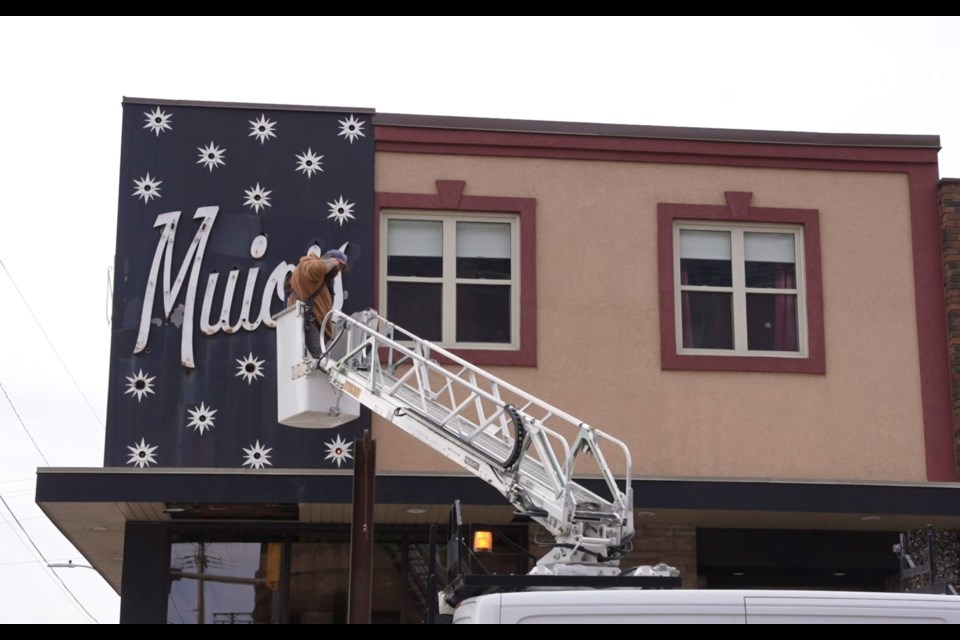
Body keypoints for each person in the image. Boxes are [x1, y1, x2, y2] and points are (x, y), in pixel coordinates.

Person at [286, 248, 349, 359]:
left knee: (319, 363)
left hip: (317, 326)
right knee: (318, 364)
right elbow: (315, 268)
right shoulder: (307, 265)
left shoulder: (323, 280)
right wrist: (333, 262)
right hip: (309, 323)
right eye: (338, 266)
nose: (338, 271)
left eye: (341, 268)